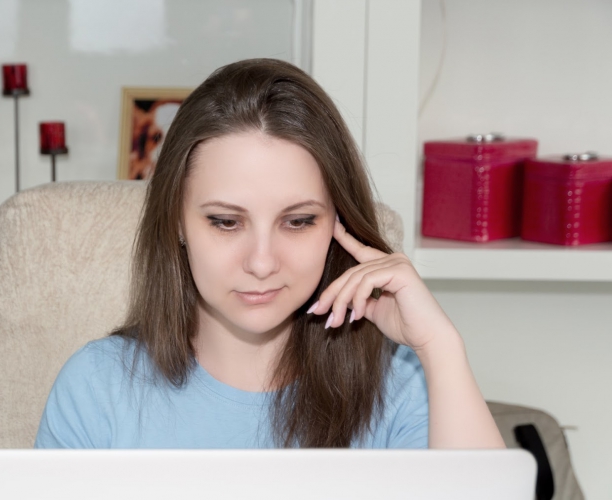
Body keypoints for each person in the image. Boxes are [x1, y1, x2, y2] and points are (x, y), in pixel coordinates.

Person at [35, 58, 505, 449]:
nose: (261, 263)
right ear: (177, 221)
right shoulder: (96, 387)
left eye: (298, 221)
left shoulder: (401, 387)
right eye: (225, 222)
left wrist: (441, 348)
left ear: (337, 223)